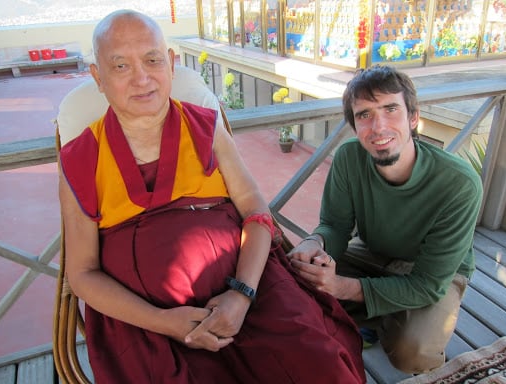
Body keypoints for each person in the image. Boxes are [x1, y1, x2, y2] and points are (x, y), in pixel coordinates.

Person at [58, 9, 366, 384]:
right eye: (120, 66)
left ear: (171, 64)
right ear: (98, 78)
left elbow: (256, 210)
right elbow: (82, 274)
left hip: (250, 289)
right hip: (148, 324)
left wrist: (243, 293)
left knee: (317, 367)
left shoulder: (204, 126)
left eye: (152, 60)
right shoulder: (80, 158)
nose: (141, 78)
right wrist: (162, 321)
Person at [288, 65, 483, 374]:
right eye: (365, 114)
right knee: (298, 285)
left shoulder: (459, 183)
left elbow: (429, 284)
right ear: (354, 125)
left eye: (391, 109)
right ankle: (383, 313)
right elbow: (336, 227)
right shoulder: (349, 157)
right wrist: (315, 242)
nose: (378, 126)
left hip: (433, 270)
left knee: (412, 351)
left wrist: (342, 288)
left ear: (414, 117)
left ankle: (383, 318)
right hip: (373, 254)